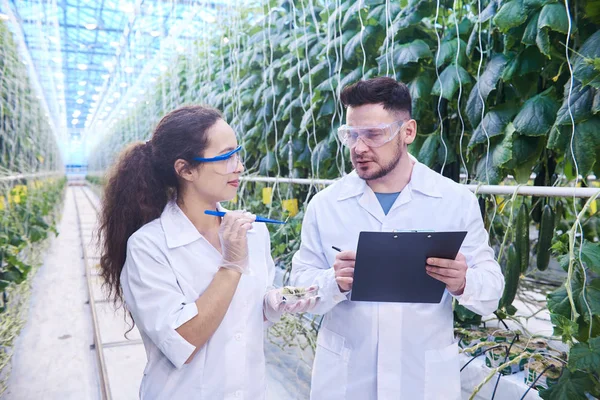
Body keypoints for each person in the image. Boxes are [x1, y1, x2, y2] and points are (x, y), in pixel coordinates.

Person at [290, 77, 505, 400]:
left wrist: (463, 281)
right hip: (347, 381)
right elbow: (296, 290)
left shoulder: (454, 201)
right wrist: (332, 281)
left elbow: (491, 290)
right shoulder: (325, 206)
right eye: (352, 135)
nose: (359, 148)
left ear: (408, 132)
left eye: (373, 134)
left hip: (421, 381)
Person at [97, 105, 316, 399]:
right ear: (185, 169)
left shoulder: (253, 231)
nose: (238, 166)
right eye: (226, 157)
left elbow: (245, 312)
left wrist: (272, 304)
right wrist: (231, 265)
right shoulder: (149, 247)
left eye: (237, 154)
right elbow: (182, 341)